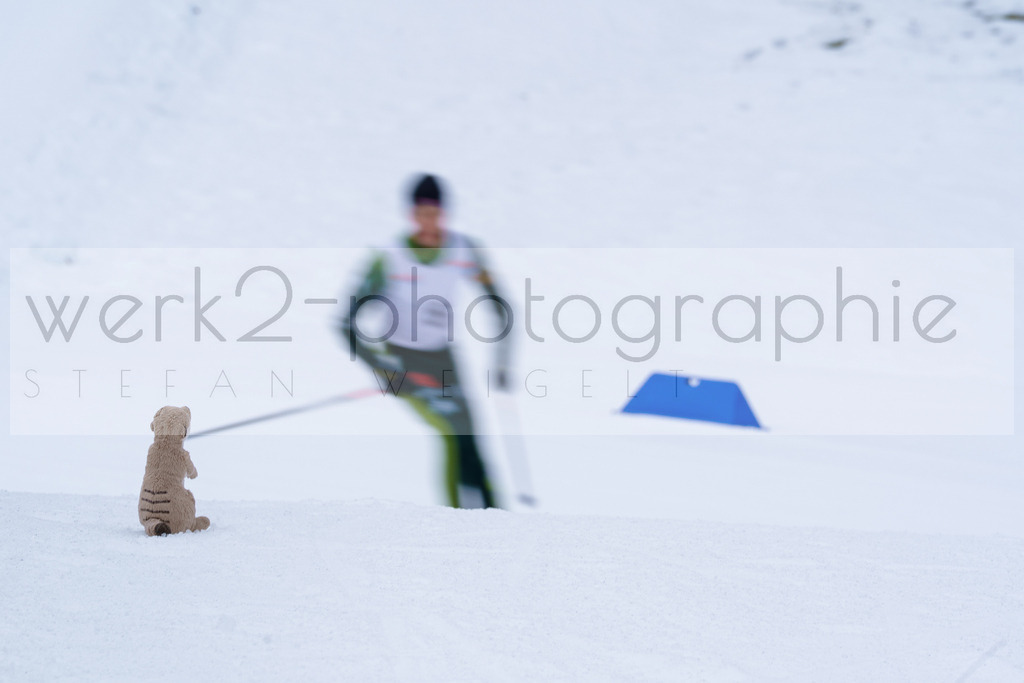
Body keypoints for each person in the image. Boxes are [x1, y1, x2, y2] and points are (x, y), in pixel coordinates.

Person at [339, 174, 512, 509]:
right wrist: (380, 366)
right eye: (422, 212)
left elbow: (500, 306)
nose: (428, 220)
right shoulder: (390, 258)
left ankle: (497, 518)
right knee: (452, 433)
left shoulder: (464, 250)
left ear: (444, 213)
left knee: (471, 439)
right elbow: (345, 322)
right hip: (402, 361)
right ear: (412, 214)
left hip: (444, 360)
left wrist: (502, 359)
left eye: (434, 212)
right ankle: (458, 519)